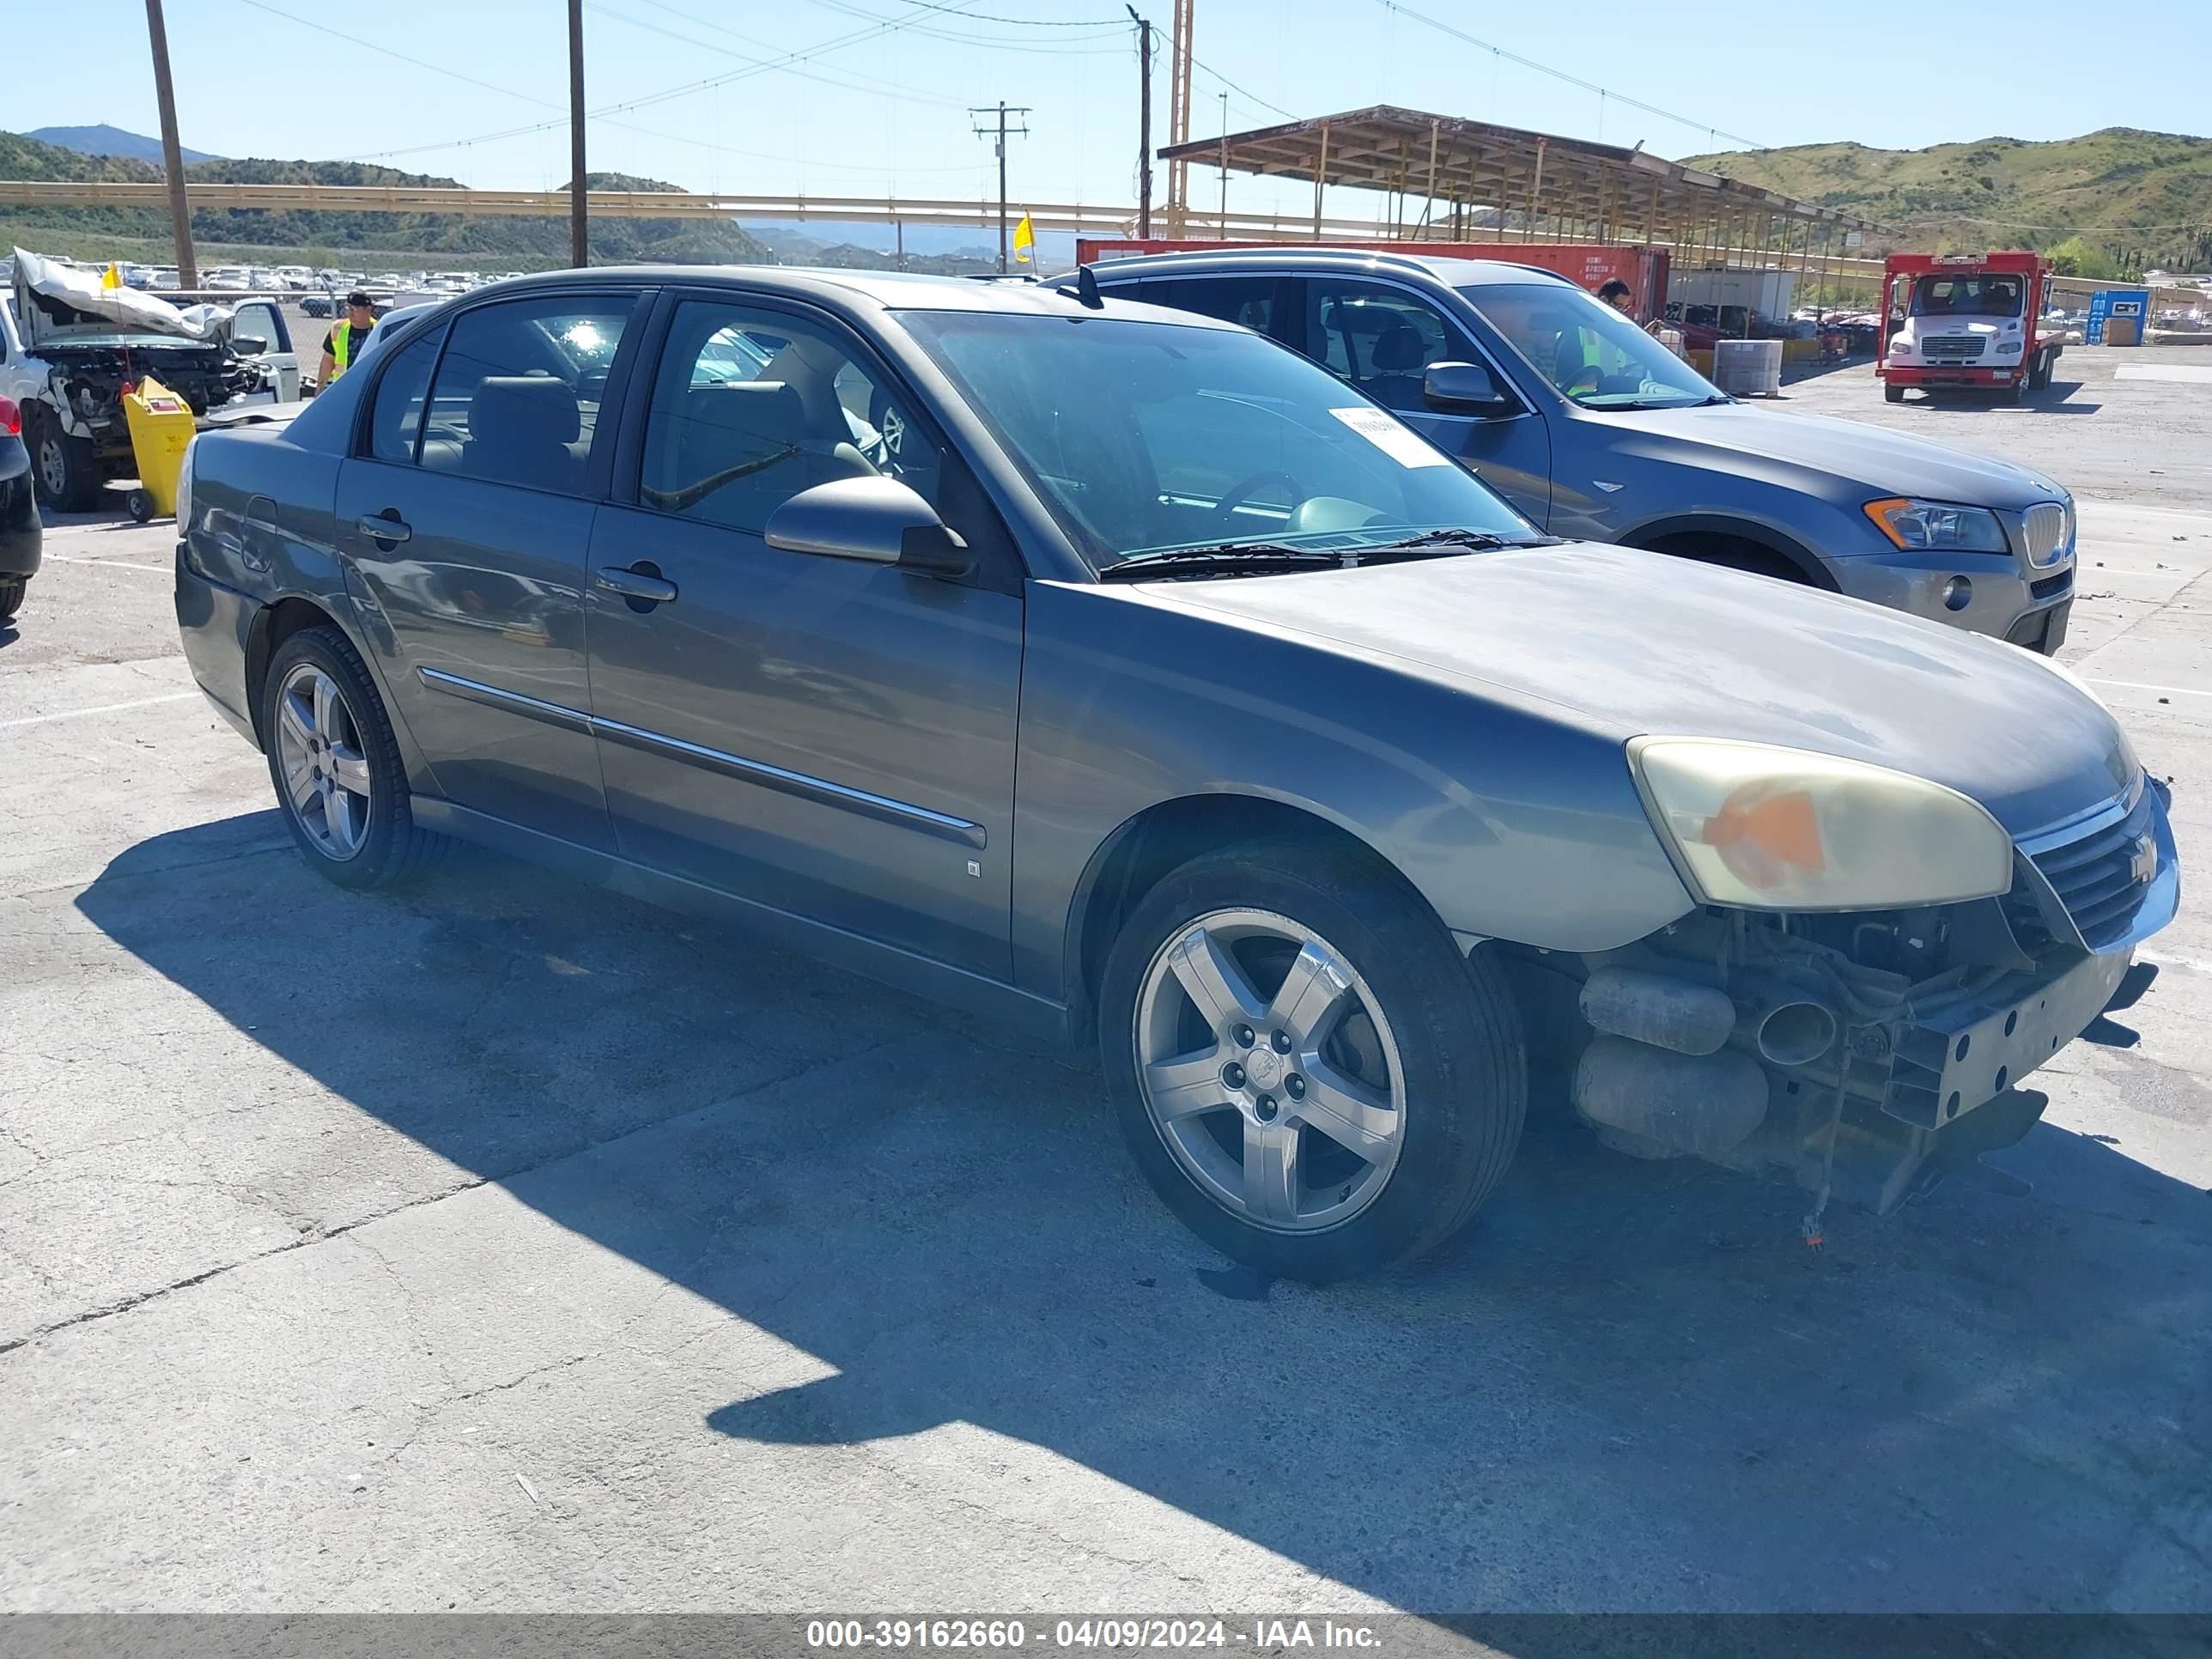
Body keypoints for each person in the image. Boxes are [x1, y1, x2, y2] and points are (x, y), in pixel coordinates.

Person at [319, 291, 377, 388]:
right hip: (343, 387)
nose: (350, 312)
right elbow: (328, 360)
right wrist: (320, 387)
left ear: (368, 309)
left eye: (354, 309)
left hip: (369, 386)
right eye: (348, 308)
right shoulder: (338, 328)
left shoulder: (378, 329)